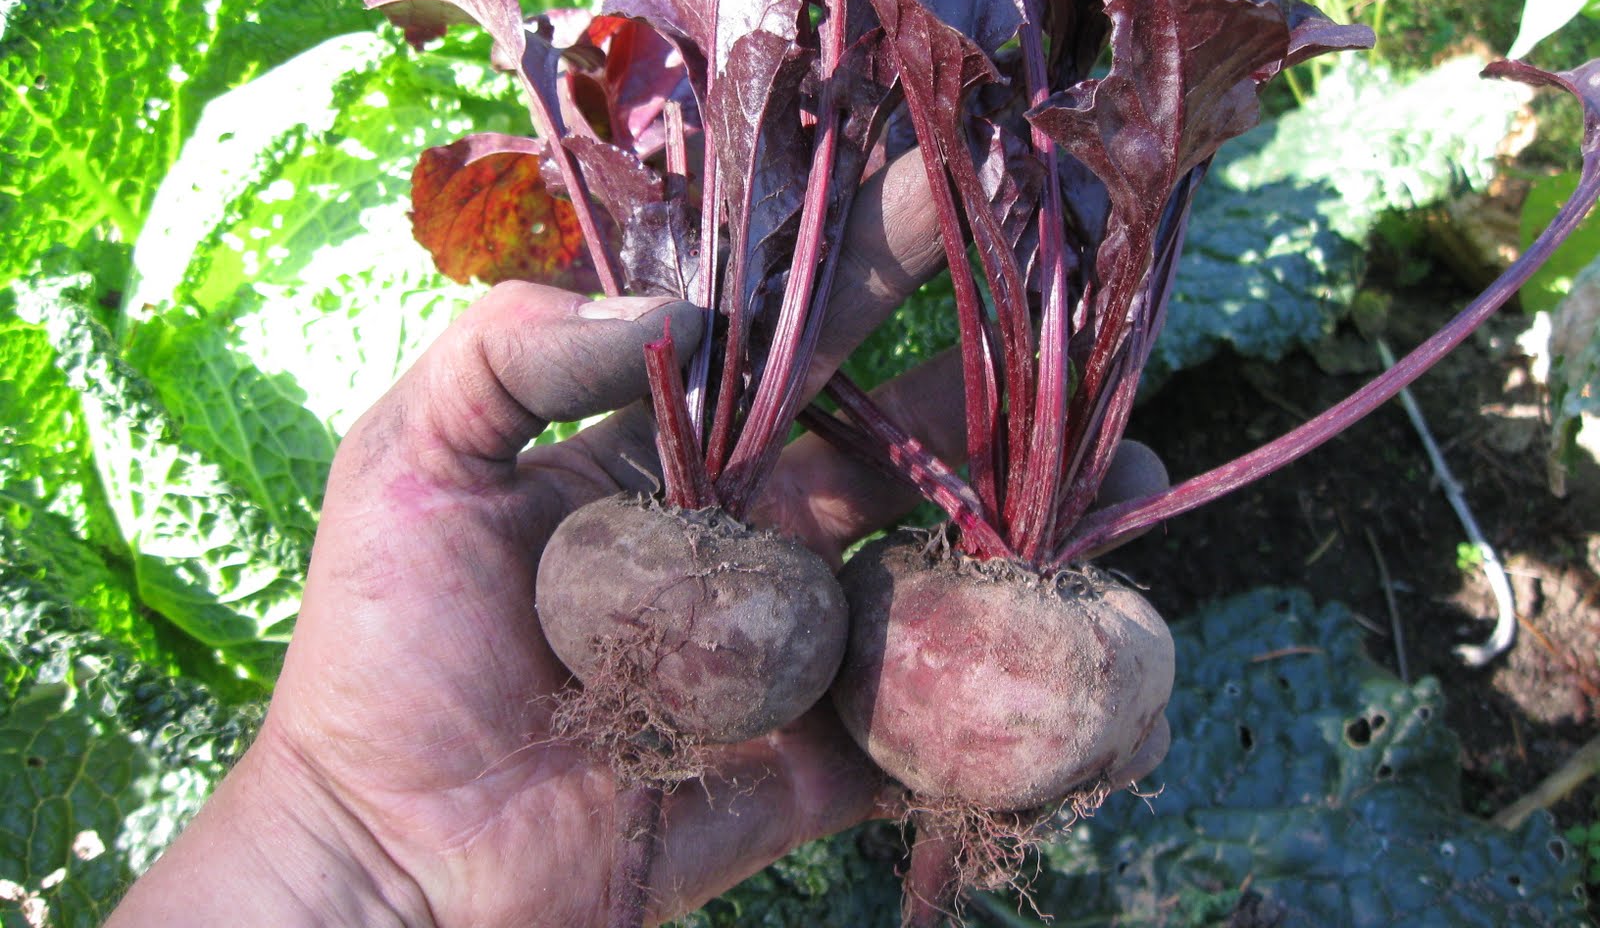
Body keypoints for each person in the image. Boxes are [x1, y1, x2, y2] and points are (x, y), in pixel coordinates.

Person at [106, 155, 1165, 927]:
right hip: (677, 546)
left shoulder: (829, 613)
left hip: (802, 572)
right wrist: (355, 843)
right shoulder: (648, 576)